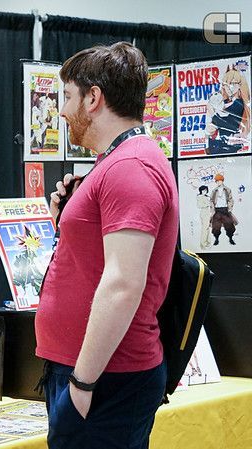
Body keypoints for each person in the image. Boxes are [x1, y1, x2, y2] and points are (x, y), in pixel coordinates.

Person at [34, 42, 179, 449]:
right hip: (94, 375)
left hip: (104, 379)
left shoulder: (130, 167)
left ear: (93, 98)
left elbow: (123, 284)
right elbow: (97, 263)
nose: (61, 111)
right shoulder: (116, 163)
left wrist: (82, 384)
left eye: (67, 97)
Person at [209, 173, 238, 245]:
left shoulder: (227, 189)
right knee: (216, 226)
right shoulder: (214, 191)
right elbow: (211, 200)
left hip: (225, 210)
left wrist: (230, 208)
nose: (218, 182)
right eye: (217, 181)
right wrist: (212, 209)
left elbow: (231, 199)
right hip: (217, 210)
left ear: (222, 181)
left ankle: (231, 238)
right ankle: (216, 239)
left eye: (219, 181)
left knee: (229, 225)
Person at [196, 185, 214, 249]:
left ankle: (208, 243)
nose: (205, 191)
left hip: (207, 213)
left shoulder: (206, 197)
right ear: (201, 191)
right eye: (203, 190)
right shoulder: (200, 197)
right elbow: (199, 205)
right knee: (205, 229)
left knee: (207, 228)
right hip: (204, 213)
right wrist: (207, 204)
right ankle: (203, 245)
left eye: (206, 190)